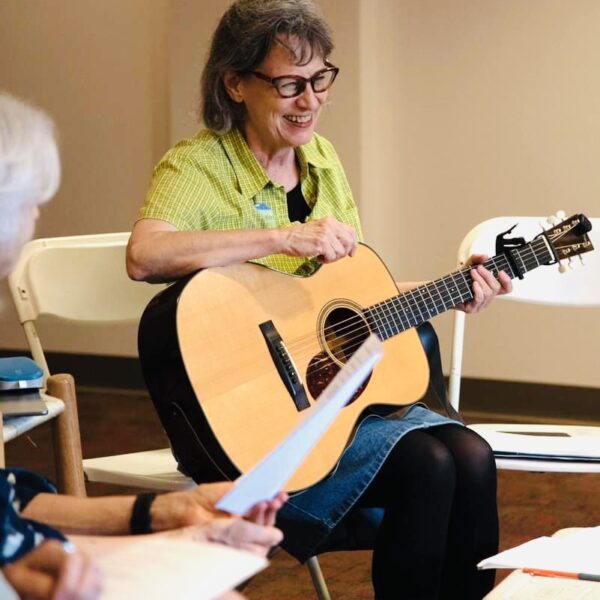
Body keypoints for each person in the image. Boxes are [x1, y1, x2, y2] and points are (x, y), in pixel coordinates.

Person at [126, 1, 513, 598]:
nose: (309, 100)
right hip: (259, 429)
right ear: (235, 83)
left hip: (333, 407)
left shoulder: (322, 161)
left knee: (472, 453)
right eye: (288, 84)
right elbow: (145, 255)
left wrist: (458, 290)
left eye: (319, 80)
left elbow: (351, 299)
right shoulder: (196, 165)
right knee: (429, 465)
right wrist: (284, 236)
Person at [0, 91, 285, 600]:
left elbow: (9, 506)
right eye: (30, 202)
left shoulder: (321, 161)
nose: (38, 215)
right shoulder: (193, 165)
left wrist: (169, 515)